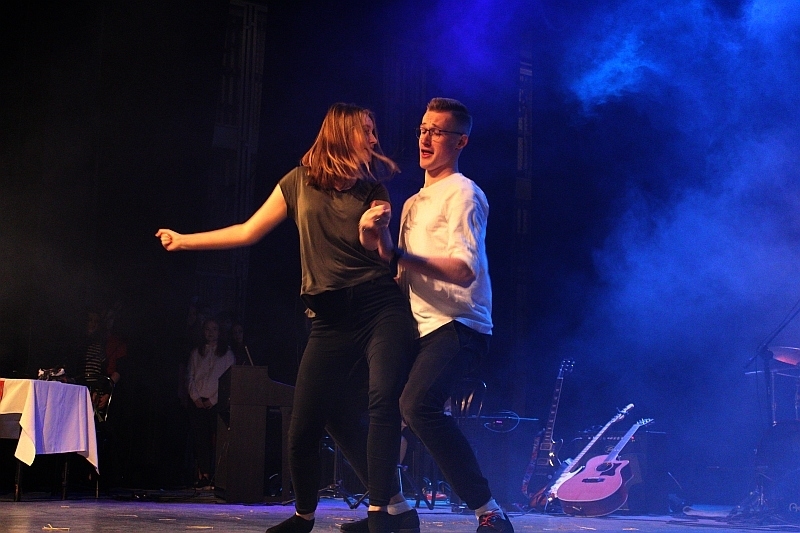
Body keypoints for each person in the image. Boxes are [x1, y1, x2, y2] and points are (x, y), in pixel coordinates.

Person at [156, 103, 416, 533]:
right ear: (342, 132)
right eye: (366, 130)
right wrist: (185, 241)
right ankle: (307, 516)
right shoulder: (297, 182)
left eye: (374, 131)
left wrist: (377, 228)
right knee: (306, 422)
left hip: (378, 307)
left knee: (381, 399)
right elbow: (248, 231)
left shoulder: (374, 189)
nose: (374, 138)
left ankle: (380, 514)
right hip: (329, 318)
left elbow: (381, 253)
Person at [349, 98, 512, 533]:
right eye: (423, 129)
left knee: (417, 405)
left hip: (459, 323)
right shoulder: (413, 203)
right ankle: (390, 509)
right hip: (419, 325)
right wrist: (374, 237)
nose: (425, 138)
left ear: (460, 142)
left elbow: (464, 270)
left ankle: (490, 512)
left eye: (437, 131)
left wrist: (395, 253)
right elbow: (397, 267)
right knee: (369, 400)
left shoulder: (463, 193)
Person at [186, 316, 235, 488]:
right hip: (198, 402)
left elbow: (228, 380)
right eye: (207, 329)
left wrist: (213, 400)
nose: (211, 333)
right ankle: (204, 474)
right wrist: (196, 397)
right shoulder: (196, 352)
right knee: (201, 440)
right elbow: (190, 376)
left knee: (219, 439)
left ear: (220, 332)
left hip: (216, 403)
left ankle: (218, 475)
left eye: (214, 329)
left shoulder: (227, 354)